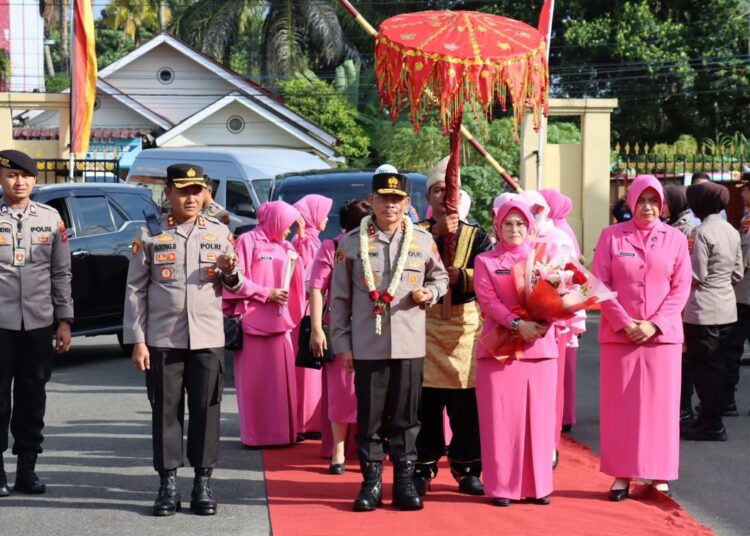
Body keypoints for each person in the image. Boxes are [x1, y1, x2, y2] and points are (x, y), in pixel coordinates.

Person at [330, 164, 449, 512]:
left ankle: (403, 483)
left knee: (406, 419)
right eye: (384, 198)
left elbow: (440, 278)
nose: (390, 206)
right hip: (368, 347)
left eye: (397, 199)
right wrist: (343, 345)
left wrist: (431, 292)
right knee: (370, 419)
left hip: (409, 344)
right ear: (372, 200)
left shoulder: (423, 240)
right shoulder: (352, 244)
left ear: (406, 202)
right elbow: (339, 299)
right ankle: (370, 484)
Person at [124, 164, 241, 516]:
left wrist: (230, 271)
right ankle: (168, 484)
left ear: (204, 193)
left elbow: (235, 286)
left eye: (196, 191)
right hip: (163, 339)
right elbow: (134, 290)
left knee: (207, 410)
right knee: (166, 412)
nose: (191, 198)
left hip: (207, 337)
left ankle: (202, 484)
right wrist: (137, 340)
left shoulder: (220, 233)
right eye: (183, 191)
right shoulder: (149, 234)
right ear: (168, 193)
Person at [592, 175, 691, 500]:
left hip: (661, 339)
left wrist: (655, 324)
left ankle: (659, 473)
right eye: (641, 201)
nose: (647, 207)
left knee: (660, 407)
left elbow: (681, 287)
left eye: (653, 201)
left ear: (661, 204)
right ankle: (622, 474)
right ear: (631, 202)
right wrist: (625, 322)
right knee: (622, 408)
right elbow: (599, 285)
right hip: (621, 337)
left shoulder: (675, 238)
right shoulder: (612, 237)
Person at [413, 156, 492, 497]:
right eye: (438, 190)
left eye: (451, 190)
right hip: (426, 325)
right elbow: (407, 269)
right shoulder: (415, 234)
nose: (446, 196)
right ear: (429, 197)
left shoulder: (479, 235)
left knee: (466, 404)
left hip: (464, 328)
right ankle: (423, 468)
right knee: (425, 403)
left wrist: (465, 277)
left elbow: (489, 276)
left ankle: (467, 468)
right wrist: (436, 234)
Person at [473, 200, 558, 506]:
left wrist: (543, 321)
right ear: (497, 226)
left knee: (539, 420)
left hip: (539, 349)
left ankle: (539, 486)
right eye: (508, 223)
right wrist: (516, 323)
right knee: (501, 421)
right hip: (499, 350)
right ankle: (502, 487)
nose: (514, 229)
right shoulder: (485, 260)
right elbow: (488, 300)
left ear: (530, 226)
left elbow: (562, 297)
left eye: (520, 223)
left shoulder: (544, 259)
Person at [0, 149, 73, 498]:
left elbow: (61, 272)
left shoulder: (50, 218)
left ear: (34, 180)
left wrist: (65, 321)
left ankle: (27, 469)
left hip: (40, 323)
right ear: (1, 178)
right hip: (0, 325)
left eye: (26, 176)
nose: (19, 181)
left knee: (33, 397)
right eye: (12, 175)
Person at [223, 201, 305, 448]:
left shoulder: (286, 245)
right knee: (255, 386)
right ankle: (256, 435)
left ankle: (284, 434)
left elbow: (299, 278)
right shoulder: (247, 241)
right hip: (253, 323)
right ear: (274, 220)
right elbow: (235, 281)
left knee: (280, 385)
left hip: (280, 323)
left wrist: (298, 249)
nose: (288, 230)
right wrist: (265, 293)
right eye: (286, 225)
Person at [309, 199, 371, 474]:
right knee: (342, 390)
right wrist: (317, 328)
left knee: (373, 389)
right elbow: (317, 287)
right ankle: (338, 450)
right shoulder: (332, 246)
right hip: (340, 327)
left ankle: (370, 445)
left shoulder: (377, 244)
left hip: (373, 327)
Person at [682, 181, 743, 441]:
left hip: (702, 309)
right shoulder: (731, 230)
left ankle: (710, 422)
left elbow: (697, 273)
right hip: (727, 306)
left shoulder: (701, 232)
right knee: (719, 365)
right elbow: (738, 272)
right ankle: (712, 417)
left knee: (704, 369)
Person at [540, 189, 586, 434]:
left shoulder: (558, 233)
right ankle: (564, 414)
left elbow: (572, 271)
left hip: (562, 303)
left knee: (563, 365)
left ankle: (563, 414)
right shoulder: (556, 229)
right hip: (557, 303)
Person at [292, 194, 333, 439]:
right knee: (308, 371)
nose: (327, 218)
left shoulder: (311, 239)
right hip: (309, 314)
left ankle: (311, 420)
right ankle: (306, 422)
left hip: (311, 312)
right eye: (323, 212)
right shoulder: (305, 241)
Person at [661, 184, 697, 422]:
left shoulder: (685, 229)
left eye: (663, 201)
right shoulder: (672, 224)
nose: (659, 206)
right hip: (670, 302)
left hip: (681, 303)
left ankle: (683, 407)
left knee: (683, 358)